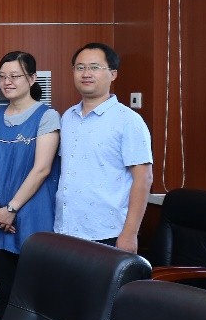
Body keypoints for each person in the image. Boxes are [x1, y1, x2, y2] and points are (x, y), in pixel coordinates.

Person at [55, 42, 153, 252]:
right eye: (80, 67)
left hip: (107, 233)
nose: (86, 74)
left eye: (94, 67)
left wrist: (130, 234)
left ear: (113, 74)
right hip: (65, 229)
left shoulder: (128, 121)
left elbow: (143, 179)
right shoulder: (68, 117)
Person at [0, 50, 60, 320]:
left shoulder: (47, 116)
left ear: (32, 78)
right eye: (2, 76)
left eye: (15, 76)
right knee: (5, 292)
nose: (7, 82)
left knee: (33, 296)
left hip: (32, 216)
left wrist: (11, 208)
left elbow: (42, 169)